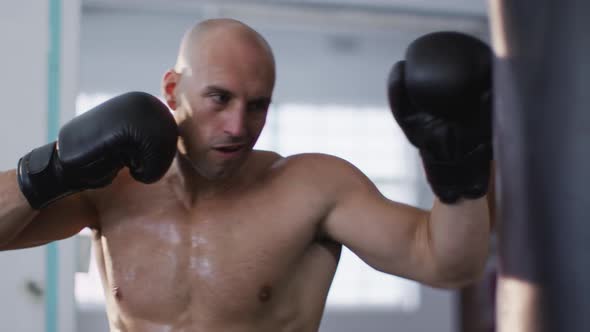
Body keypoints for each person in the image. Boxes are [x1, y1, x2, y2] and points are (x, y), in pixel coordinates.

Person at [0, 19, 493, 331]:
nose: (239, 126)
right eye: (220, 98)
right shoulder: (111, 187)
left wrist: (459, 170)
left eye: (257, 105)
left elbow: (447, 265)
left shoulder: (312, 188)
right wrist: (52, 169)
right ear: (173, 90)